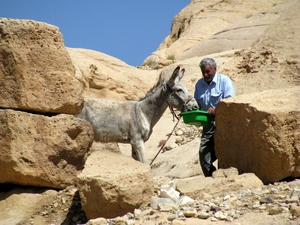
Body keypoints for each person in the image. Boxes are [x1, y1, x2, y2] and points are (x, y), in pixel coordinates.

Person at [194, 58, 235, 177]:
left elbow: (231, 101)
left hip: (223, 123)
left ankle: (224, 177)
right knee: (203, 154)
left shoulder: (224, 81)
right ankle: (211, 177)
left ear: (215, 69)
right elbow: (196, 104)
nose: (206, 75)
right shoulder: (199, 84)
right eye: (203, 72)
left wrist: (217, 109)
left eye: (208, 71)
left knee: (223, 152)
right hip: (207, 124)